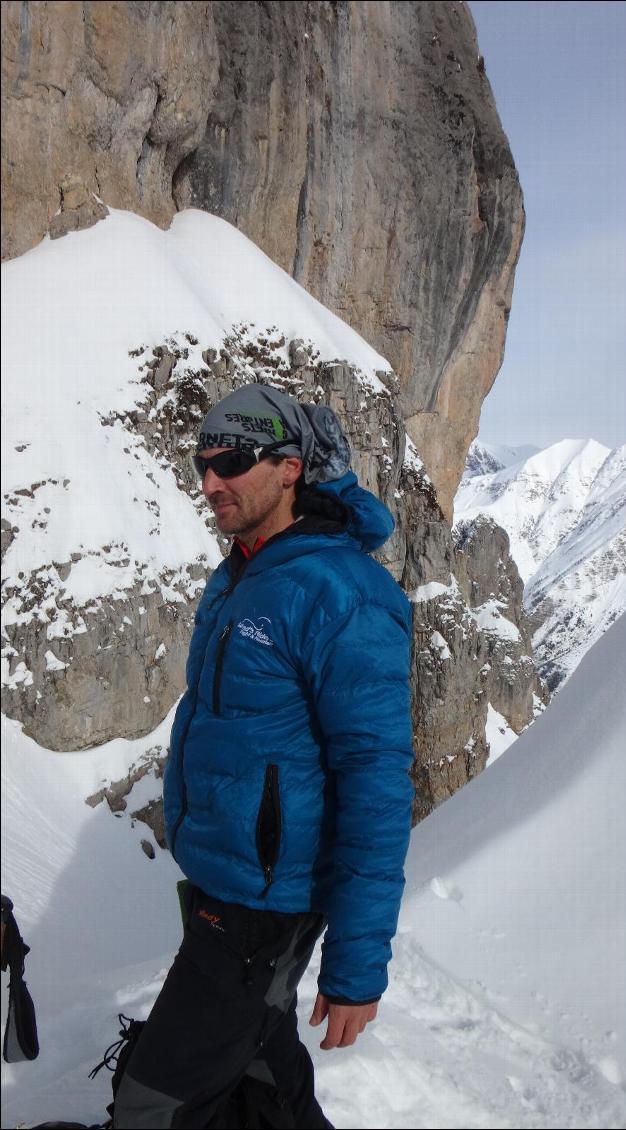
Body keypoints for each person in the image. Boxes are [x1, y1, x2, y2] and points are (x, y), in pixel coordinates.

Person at [113, 384, 414, 1129]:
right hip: (229, 881)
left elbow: (376, 780)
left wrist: (355, 970)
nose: (211, 482)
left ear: (288, 469)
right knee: (259, 1063)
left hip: (264, 907)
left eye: (233, 462)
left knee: (155, 1102)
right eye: (202, 465)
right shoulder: (247, 567)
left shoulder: (340, 590)